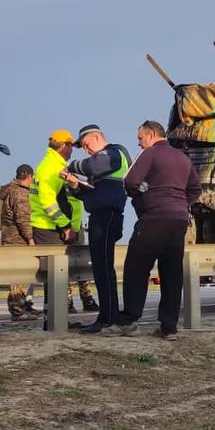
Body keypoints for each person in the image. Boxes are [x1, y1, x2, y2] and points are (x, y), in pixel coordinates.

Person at [113, 120, 201, 340]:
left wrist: (143, 195)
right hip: (178, 221)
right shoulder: (183, 158)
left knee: (136, 268)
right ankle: (169, 327)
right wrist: (180, 203)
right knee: (172, 273)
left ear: (151, 135)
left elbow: (131, 181)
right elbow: (195, 189)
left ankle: (129, 321)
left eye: (140, 138)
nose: (140, 144)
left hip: (154, 219)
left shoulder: (150, 154)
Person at [63, 124, 131, 333]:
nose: (86, 149)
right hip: (100, 216)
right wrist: (76, 186)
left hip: (107, 216)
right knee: (101, 269)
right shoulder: (103, 162)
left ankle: (107, 318)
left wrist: (71, 165)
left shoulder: (114, 152)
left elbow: (92, 167)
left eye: (86, 144)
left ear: (96, 137)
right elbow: (92, 192)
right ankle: (107, 316)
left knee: (103, 269)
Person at [0, 164, 41, 320]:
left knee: (20, 277)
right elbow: (23, 219)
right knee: (21, 277)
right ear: (29, 177)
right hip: (18, 240)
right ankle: (17, 310)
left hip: (9, 238)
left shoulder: (9, 190)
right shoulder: (20, 193)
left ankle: (23, 307)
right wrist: (30, 239)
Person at [30, 130, 76, 245]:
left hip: (48, 226)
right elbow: (48, 202)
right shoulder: (52, 167)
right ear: (64, 146)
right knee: (54, 263)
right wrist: (65, 226)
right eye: (71, 146)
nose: (72, 151)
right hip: (49, 228)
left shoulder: (49, 164)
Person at [58, 191, 99, 315]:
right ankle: (68, 301)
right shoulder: (60, 187)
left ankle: (87, 298)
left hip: (77, 229)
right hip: (66, 229)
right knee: (65, 268)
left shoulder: (76, 187)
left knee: (82, 266)